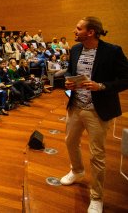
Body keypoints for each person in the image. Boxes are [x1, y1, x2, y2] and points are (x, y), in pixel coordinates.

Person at [58, 17, 128, 213]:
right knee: (70, 142)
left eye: (78, 28)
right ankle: (77, 171)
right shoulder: (75, 50)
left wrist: (102, 86)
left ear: (90, 32)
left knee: (97, 155)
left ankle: (97, 197)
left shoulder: (112, 51)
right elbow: (70, 72)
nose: (74, 31)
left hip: (97, 110)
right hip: (75, 107)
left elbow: (126, 79)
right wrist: (68, 82)